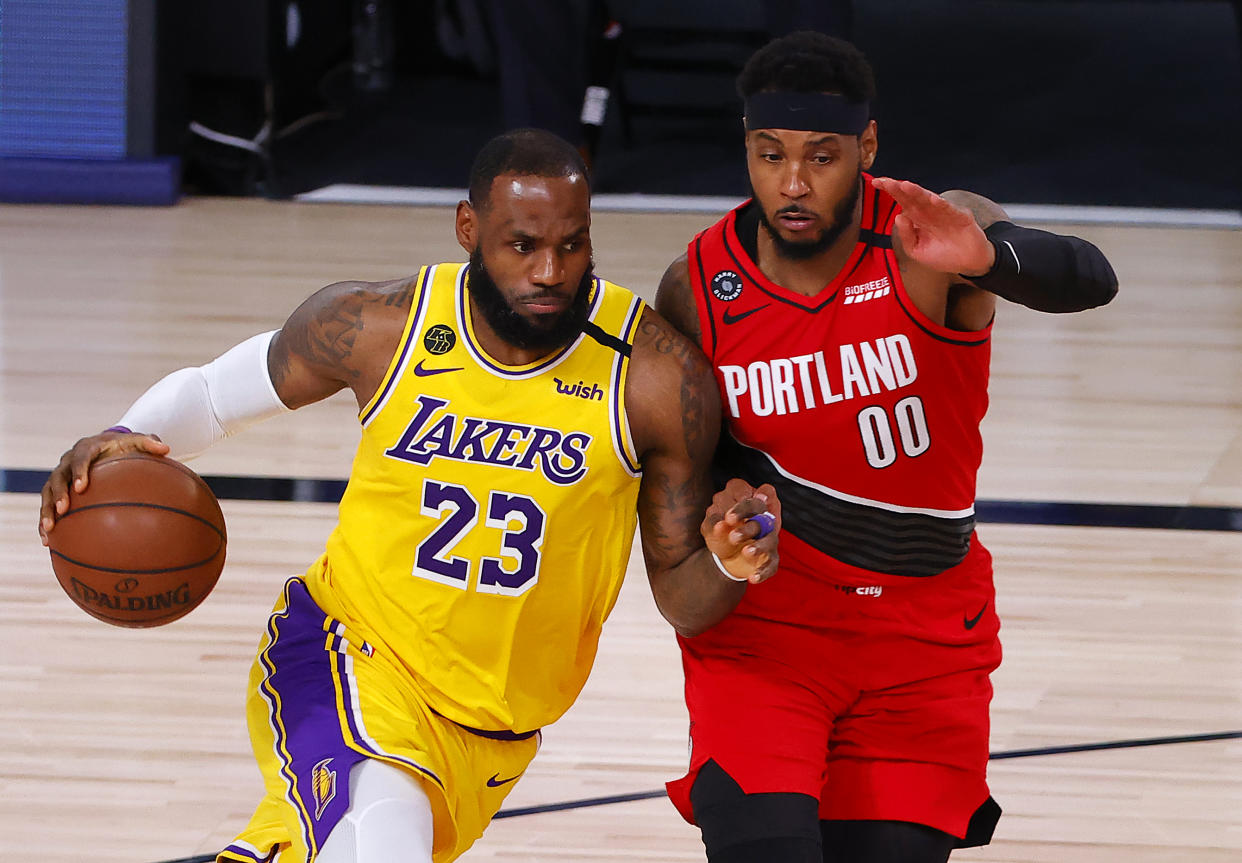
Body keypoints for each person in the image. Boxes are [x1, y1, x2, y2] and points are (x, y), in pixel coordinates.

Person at [38, 128, 782, 863]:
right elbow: (211, 395)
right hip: (345, 654)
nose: (550, 270)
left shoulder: (653, 377)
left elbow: (683, 597)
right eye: (522, 245)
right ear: (469, 228)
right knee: (380, 836)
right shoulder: (380, 326)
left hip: (490, 735)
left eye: (573, 244)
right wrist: (121, 433)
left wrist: (727, 562)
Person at [654, 32, 1118, 863]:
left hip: (923, 635)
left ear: (867, 148)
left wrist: (990, 258)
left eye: (822, 157)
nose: (791, 183)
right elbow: (699, 478)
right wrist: (728, 517)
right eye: (769, 154)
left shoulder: (933, 236)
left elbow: (1091, 277)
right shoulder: (700, 283)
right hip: (772, 634)